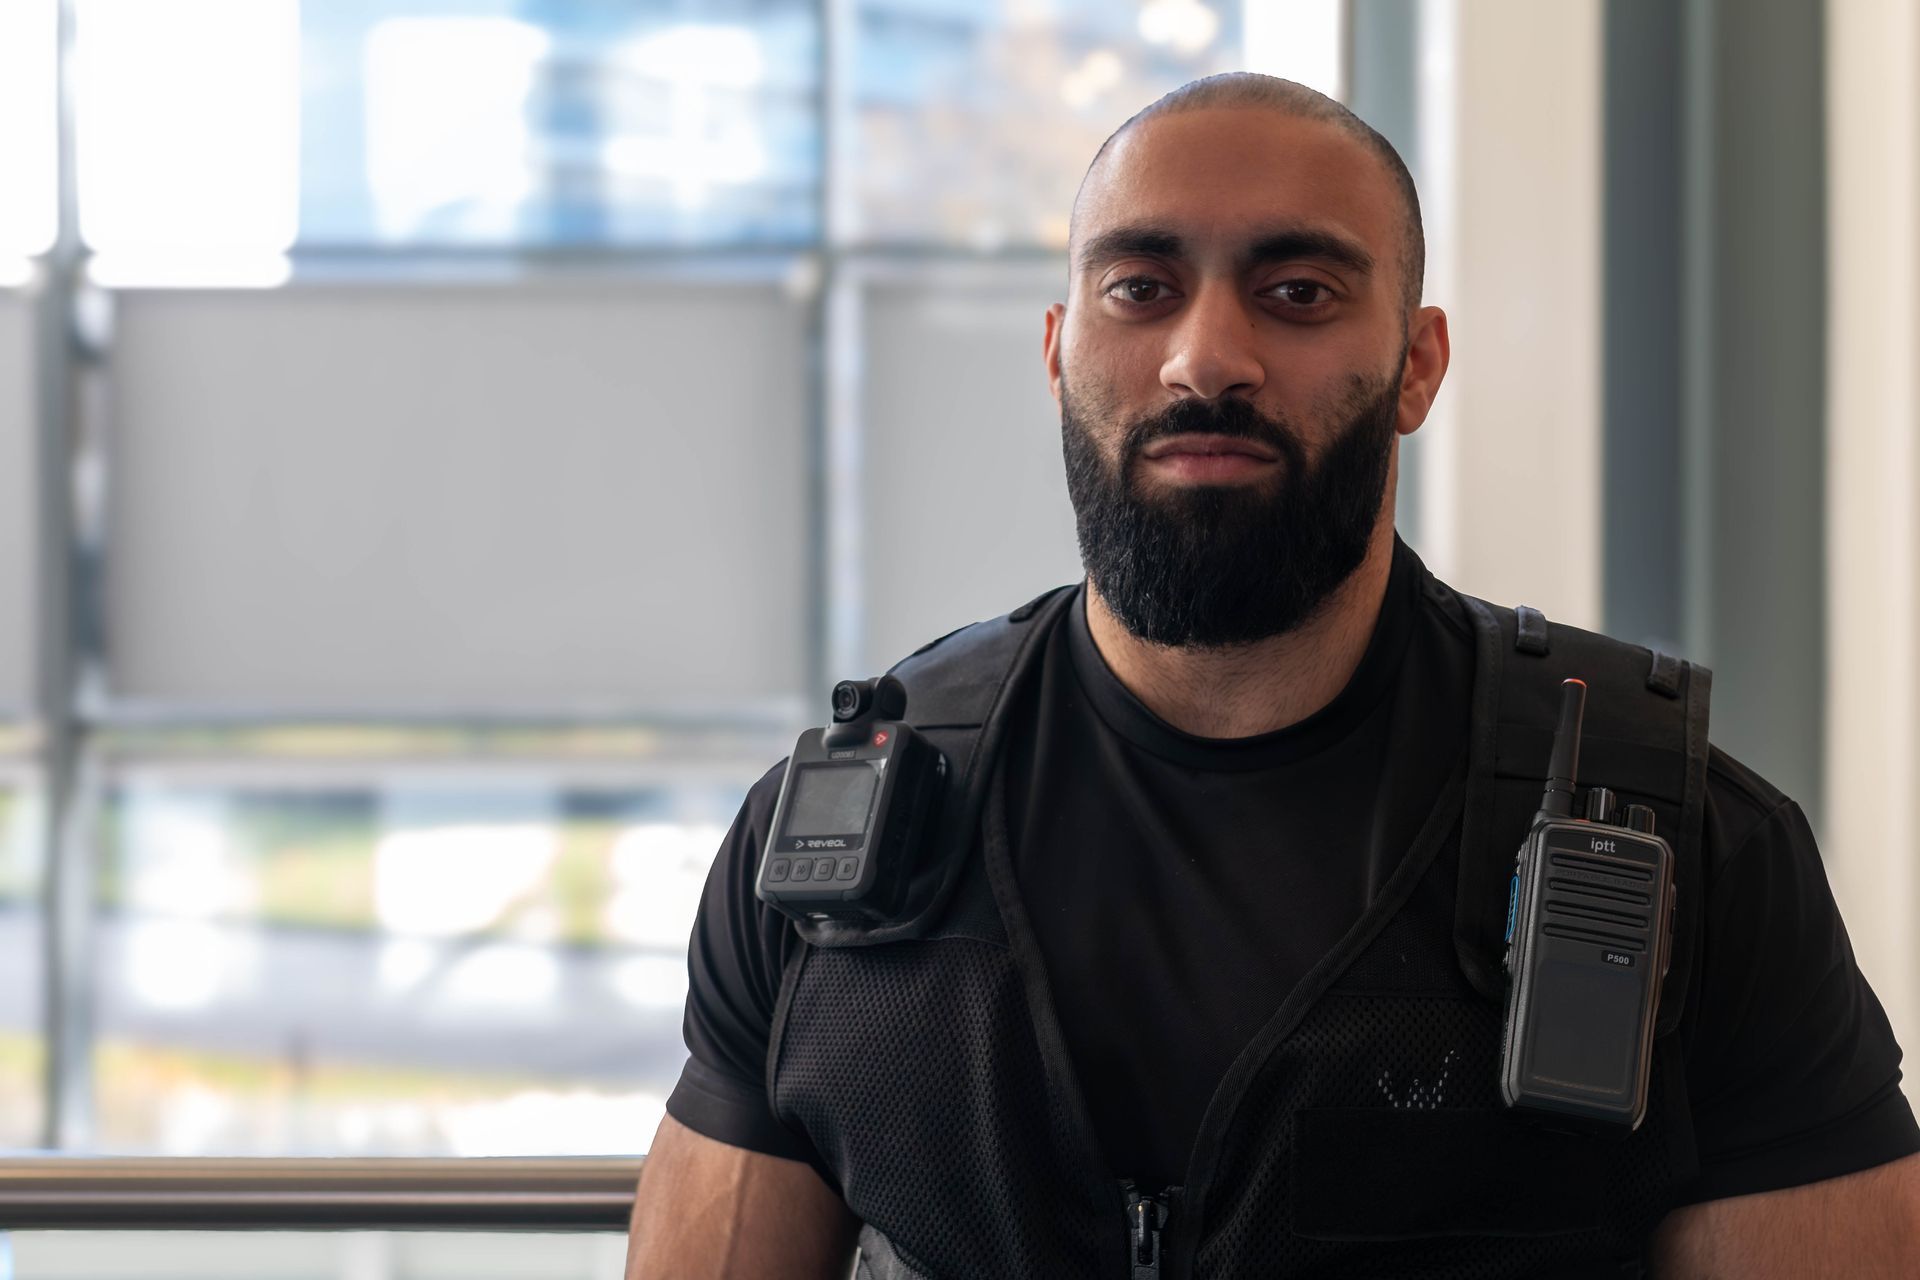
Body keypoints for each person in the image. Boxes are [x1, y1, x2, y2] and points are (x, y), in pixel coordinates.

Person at [625, 73, 1920, 1278]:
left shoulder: (1687, 852)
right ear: (1058, 349)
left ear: (1417, 364)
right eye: (1140, 287)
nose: (1206, 359)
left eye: (1296, 291)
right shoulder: (832, 855)